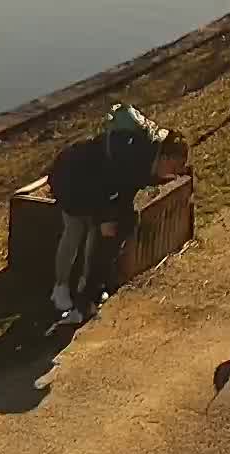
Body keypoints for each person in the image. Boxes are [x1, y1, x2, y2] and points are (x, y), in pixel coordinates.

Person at [49, 116, 192, 323]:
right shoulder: (135, 155)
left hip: (96, 184)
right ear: (166, 157)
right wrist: (104, 216)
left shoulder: (150, 159)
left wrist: (114, 219)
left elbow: (125, 189)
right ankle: (60, 287)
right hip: (72, 176)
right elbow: (105, 181)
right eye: (175, 167)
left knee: (100, 230)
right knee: (75, 228)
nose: (175, 173)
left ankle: (86, 285)